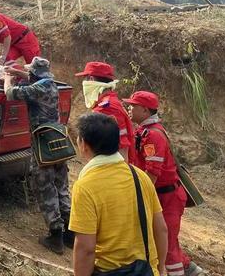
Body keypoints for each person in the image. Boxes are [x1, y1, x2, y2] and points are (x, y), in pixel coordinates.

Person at [70, 113, 168, 276]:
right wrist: (161, 268)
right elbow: (161, 229)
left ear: (84, 145)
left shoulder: (85, 187)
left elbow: (86, 249)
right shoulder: (140, 176)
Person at [124, 91, 206, 276]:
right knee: (165, 239)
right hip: (162, 195)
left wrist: (139, 196)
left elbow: (152, 172)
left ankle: (180, 270)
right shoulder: (143, 131)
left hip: (167, 197)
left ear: (145, 110)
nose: (129, 108)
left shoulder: (153, 135)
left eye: (133, 105)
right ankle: (190, 269)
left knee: (166, 245)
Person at [3, 57, 71, 254]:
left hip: (43, 144)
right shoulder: (50, 84)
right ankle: (70, 233)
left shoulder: (35, 89)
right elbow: (36, 80)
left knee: (44, 186)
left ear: (33, 74)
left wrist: (8, 78)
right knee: (61, 186)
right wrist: (18, 73)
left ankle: (55, 235)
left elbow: (10, 93)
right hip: (58, 141)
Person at [75, 62, 135, 162]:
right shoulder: (109, 101)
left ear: (91, 79)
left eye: (85, 78)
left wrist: (121, 174)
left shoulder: (107, 108)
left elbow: (122, 146)